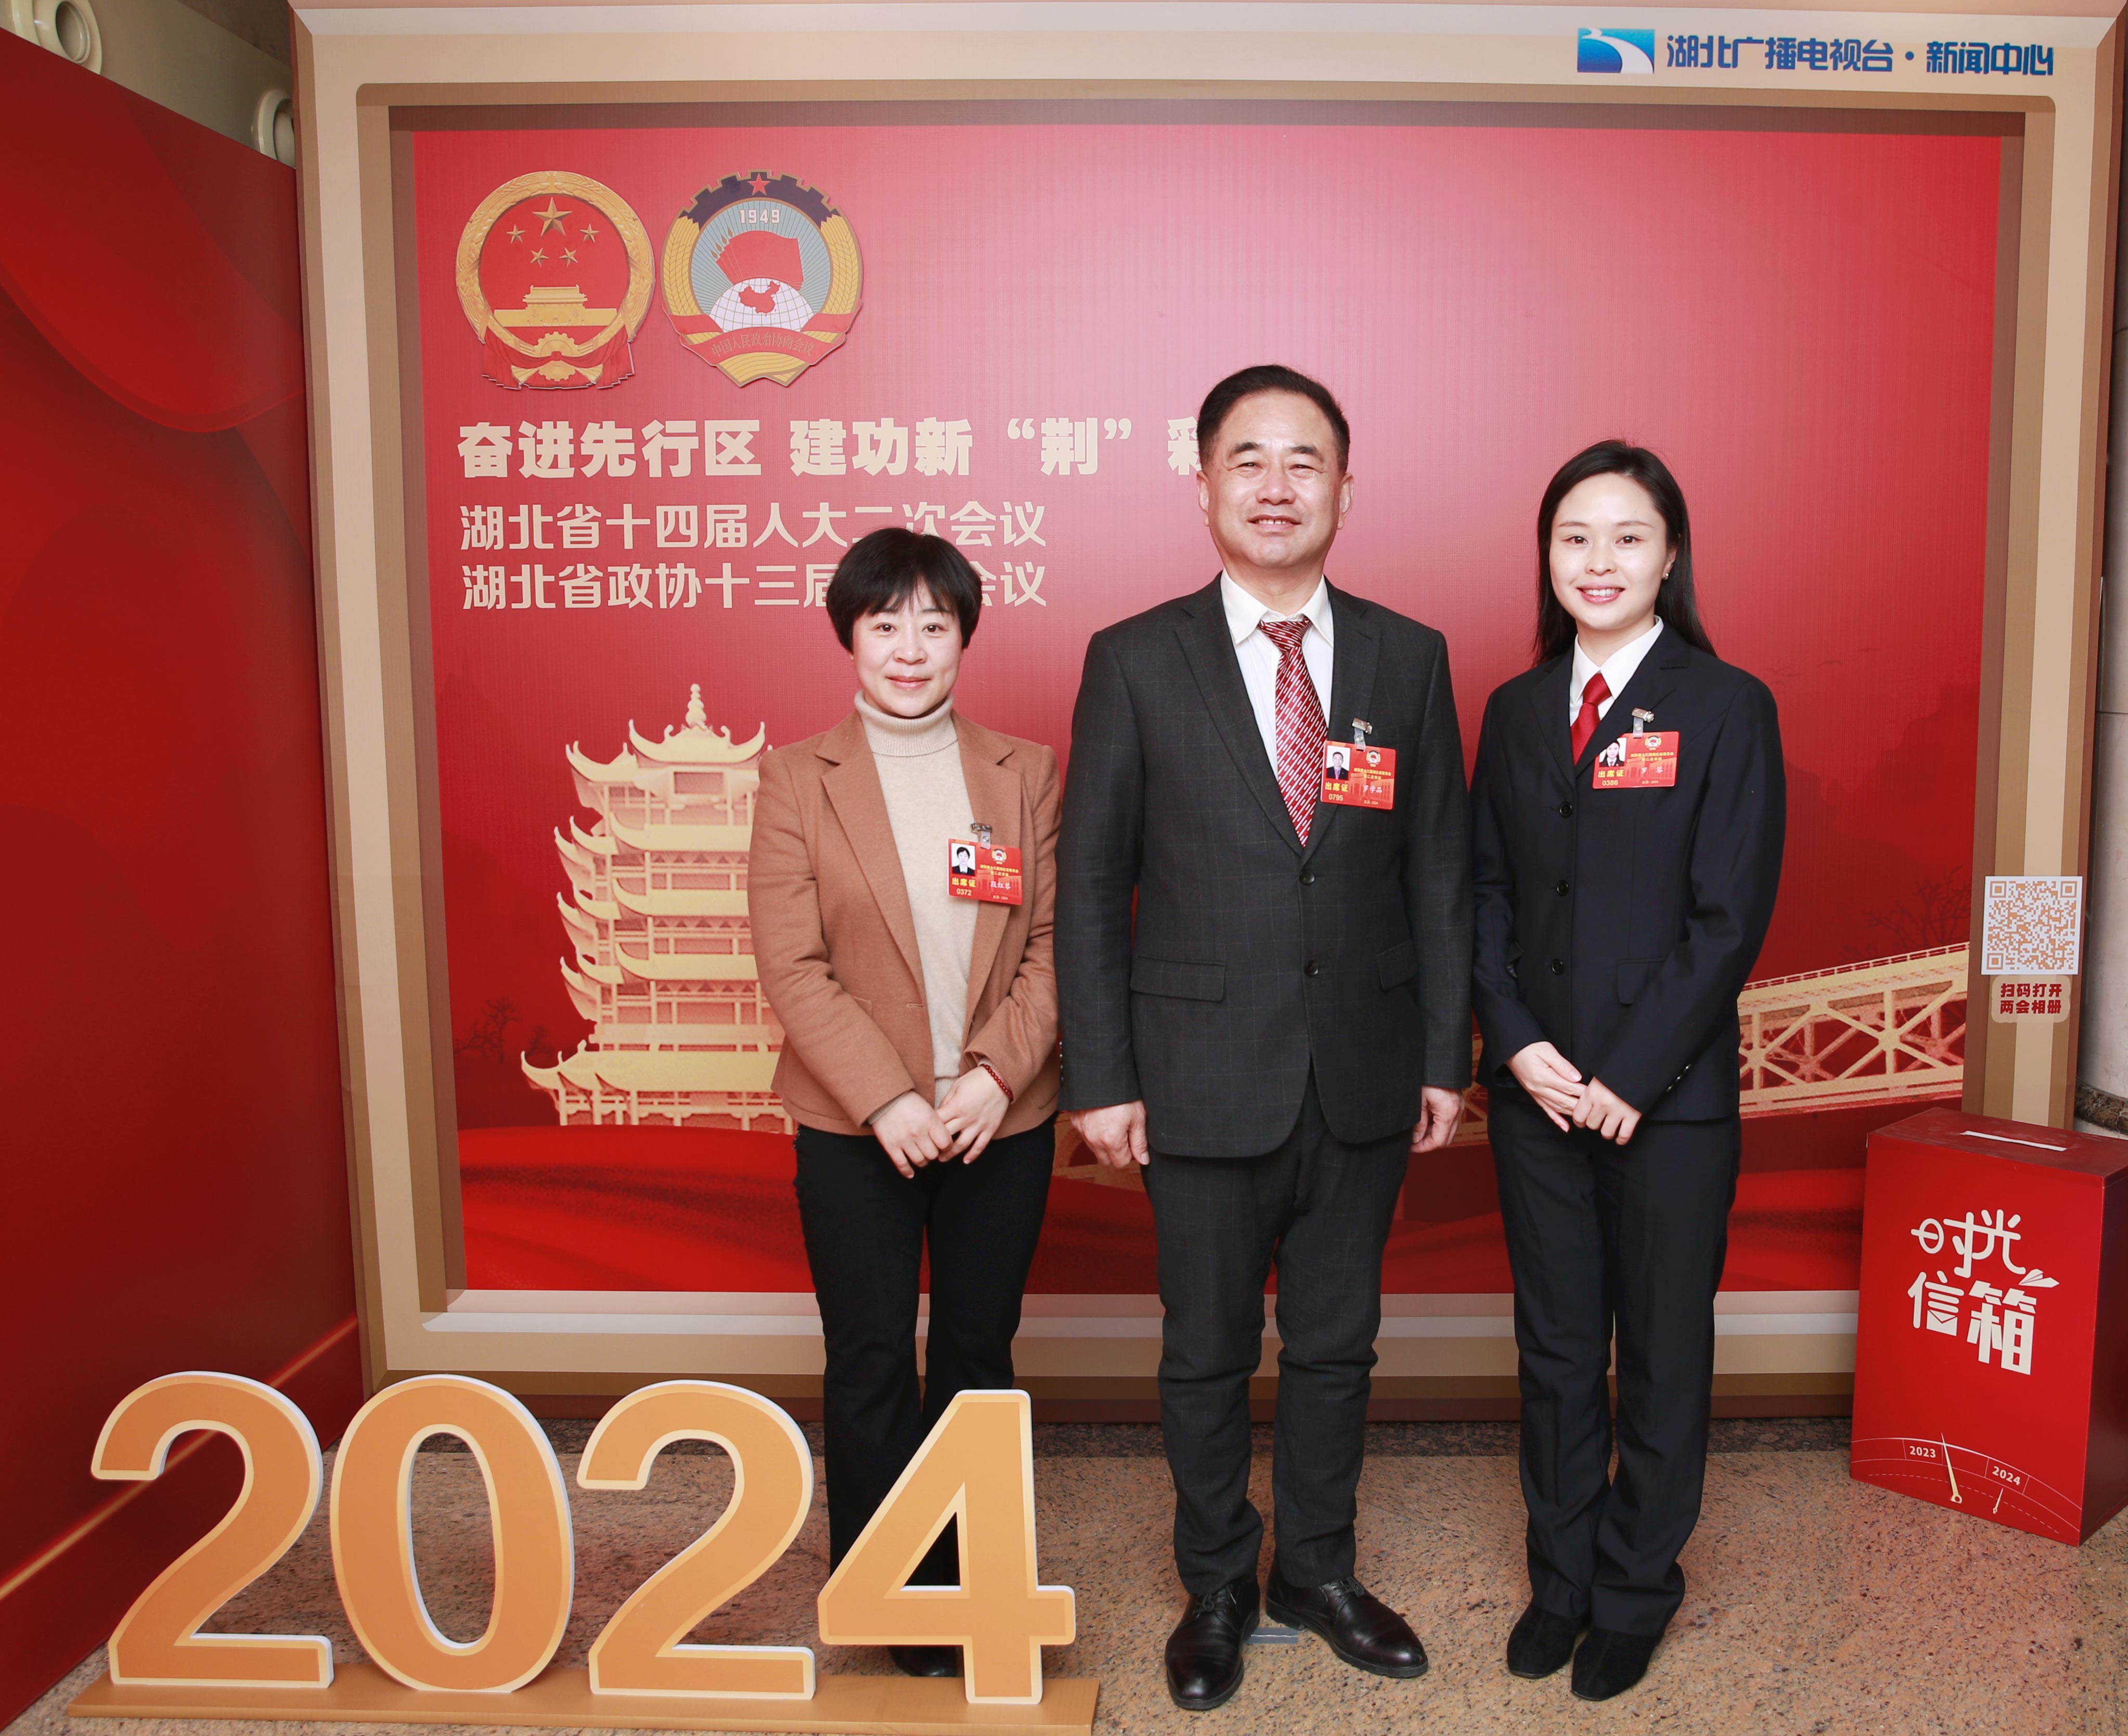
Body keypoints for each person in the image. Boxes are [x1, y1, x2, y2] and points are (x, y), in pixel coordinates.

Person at [1058, 365, 1473, 1712]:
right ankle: (1217, 1585)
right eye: (1248, 460)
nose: (1276, 485)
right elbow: (1088, 883)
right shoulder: (1134, 658)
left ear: (1346, 486)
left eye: (1305, 461)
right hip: (1195, 1076)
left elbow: (1437, 871)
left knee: (1337, 1346)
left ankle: (1317, 1572)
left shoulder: (1408, 657)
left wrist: (1442, 1056)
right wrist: (1101, 1077)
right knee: (1204, 1351)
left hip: (1361, 1069)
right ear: (1202, 485)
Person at [1469, 441, 1787, 1702]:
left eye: (1625, 537)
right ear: (1546, 558)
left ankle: (1634, 1586)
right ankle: (1559, 1580)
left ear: (1669, 557)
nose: (1596, 561)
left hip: (1667, 1103)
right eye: (1573, 538)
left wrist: (1629, 1075)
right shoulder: (1512, 710)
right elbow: (1482, 892)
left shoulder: (1725, 704)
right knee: (1554, 1349)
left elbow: (1727, 919)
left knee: (1658, 1350)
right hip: (1535, 1093)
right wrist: (1516, 1041)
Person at [747, 527, 1062, 1679]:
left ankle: (969, 1581)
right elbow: (792, 965)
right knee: (871, 1355)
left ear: (964, 635)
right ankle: (890, 1592)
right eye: (886, 624)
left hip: (997, 1121)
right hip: (854, 1128)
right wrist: (886, 1098)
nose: (910, 648)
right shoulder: (796, 778)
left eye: (935, 623)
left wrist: (992, 1075)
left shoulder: (1025, 771)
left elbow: (1054, 946)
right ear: (851, 634)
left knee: (977, 1350)